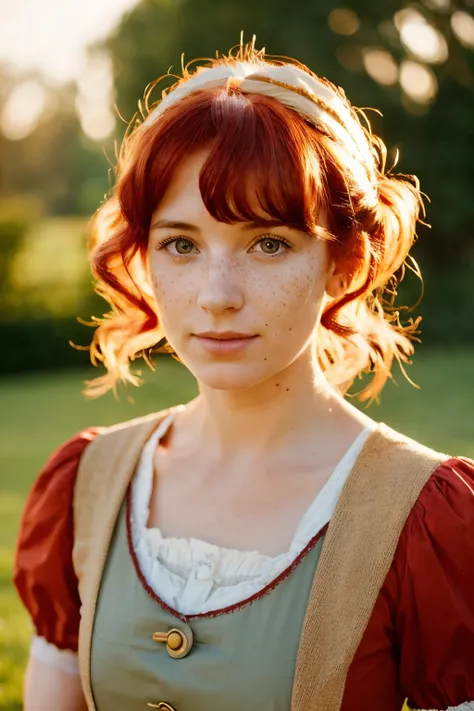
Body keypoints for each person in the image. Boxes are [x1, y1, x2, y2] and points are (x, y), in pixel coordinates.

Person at [13, 39, 474, 711]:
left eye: (268, 243)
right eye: (181, 244)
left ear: (343, 261)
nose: (217, 294)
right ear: (143, 257)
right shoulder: (87, 484)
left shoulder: (427, 519)